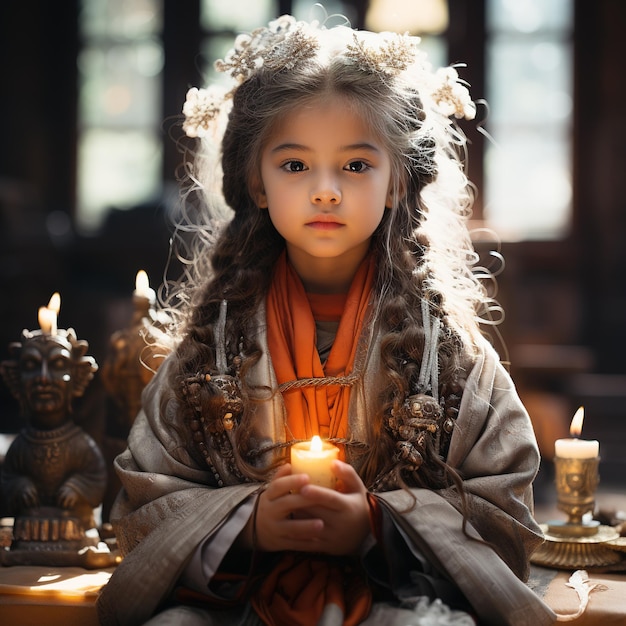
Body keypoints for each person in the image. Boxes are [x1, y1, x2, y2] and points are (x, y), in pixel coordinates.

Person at [97, 11, 556, 626]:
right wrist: (248, 522)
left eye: (356, 165)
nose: (325, 191)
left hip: (397, 599)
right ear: (256, 182)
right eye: (294, 165)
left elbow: (505, 512)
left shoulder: (448, 352)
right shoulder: (212, 343)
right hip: (236, 605)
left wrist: (376, 525)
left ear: (397, 182)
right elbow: (142, 505)